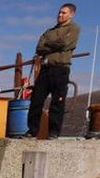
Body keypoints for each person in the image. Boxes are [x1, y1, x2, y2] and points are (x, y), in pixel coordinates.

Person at [26, 3, 80, 140]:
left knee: (57, 102)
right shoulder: (49, 31)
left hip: (61, 69)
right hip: (45, 69)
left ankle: (53, 133)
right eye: (59, 12)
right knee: (36, 100)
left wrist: (49, 44)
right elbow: (39, 48)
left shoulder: (74, 28)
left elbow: (66, 44)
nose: (60, 15)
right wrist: (55, 44)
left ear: (71, 14)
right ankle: (32, 131)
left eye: (64, 13)